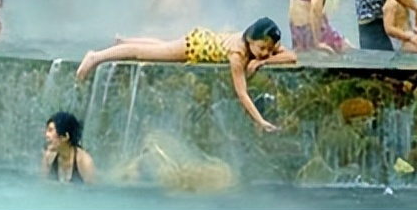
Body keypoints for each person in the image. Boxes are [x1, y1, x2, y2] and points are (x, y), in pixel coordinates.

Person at [74, 17, 297, 132]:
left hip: (204, 37)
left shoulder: (260, 43)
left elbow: (291, 56)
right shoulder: (237, 55)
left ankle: (125, 40)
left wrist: (261, 61)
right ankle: (96, 57)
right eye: (262, 49)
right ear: (250, 39)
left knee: (163, 47)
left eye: (269, 49)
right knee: (143, 54)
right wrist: (260, 121)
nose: (266, 52)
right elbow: (242, 93)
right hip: (195, 46)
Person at [42, 111, 97, 185]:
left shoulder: (84, 162)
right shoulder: (48, 157)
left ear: (65, 137)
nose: (46, 135)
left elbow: (93, 192)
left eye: (50, 130)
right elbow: (43, 186)